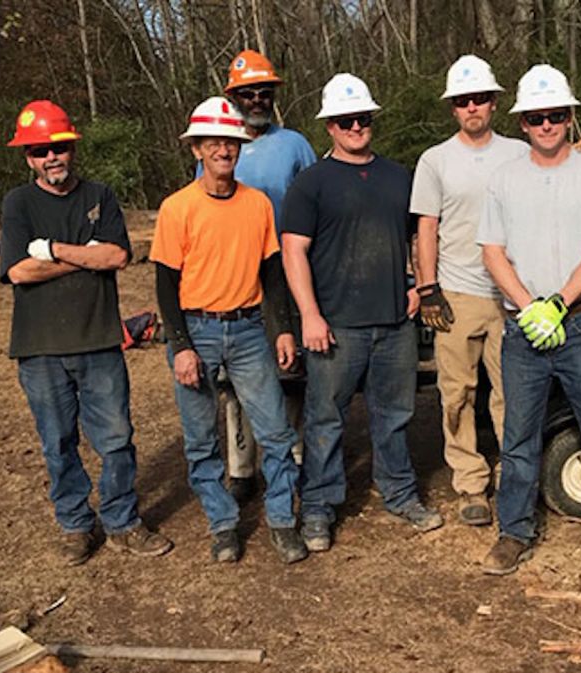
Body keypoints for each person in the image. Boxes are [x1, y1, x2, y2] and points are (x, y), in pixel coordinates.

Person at [477, 65, 581, 584]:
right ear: (523, 121)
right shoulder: (504, 178)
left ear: (570, 118)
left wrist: (559, 302)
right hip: (523, 330)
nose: (546, 124)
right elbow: (492, 251)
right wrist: (530, 306)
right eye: (536, 116)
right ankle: (514, 530)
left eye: (554, 115)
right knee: (518, 434)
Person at [0, 100, 173, 566]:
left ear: (71, 146)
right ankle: (76, 525)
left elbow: (117, 257)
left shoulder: (100, 195)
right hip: (39, 349)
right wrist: (84, 253)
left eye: (57, 147)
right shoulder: (18, 203)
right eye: (38, 151)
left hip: (99, 341)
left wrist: (52, 249)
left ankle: (122, 522)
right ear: (27, 158)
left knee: (116, 438)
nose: (50, 157)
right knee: (58, 442)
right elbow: (18, 271)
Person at [281, 73, 443, 552]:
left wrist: (419, 285)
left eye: (363, 118)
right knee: (326, 418)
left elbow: (418, 236)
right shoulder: (310, 183)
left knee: (394, 414)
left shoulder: (399, 177)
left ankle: (399, 492)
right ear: (329, 126)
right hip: (337, 325)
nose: (356, 126)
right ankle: (318, 507)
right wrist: (309, 314)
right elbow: (293, 252)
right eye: (346, 120)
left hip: (394, 322)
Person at [151, 97, 306, 564]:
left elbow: (273, 272)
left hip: (247, 328)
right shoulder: (178, 208)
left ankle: (281, 519)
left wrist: (281, 330)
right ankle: (222, 523)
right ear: (197, 149)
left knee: (276, 433)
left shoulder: (257, 205)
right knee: (201, 439)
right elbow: (164, 283)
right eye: (213, 142)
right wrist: (180, 346)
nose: (224, 149)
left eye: (231, 141)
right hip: (196, 328)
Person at [410, 55, 527, 526]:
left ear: (494, 103)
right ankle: (471, 482)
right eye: (463, 101)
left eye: (480, 98)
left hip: (511, 294)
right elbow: (426, 226)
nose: (472, 107)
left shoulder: (519, 153)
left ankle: (516, 478)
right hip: (457, 291)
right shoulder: (435, 160)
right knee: (456, 394)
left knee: (511, 393)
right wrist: (428, 286)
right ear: (453, 108)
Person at [215, 49, 317, 502]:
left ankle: (292, 455)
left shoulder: (294, 145)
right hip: (235, 277)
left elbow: (317, 206)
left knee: (289, 366)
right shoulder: (217, 145)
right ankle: (241, 468)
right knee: (235, 376)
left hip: (287, 272)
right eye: (247, 93)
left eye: (264, 92)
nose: (257, 99)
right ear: (231, 95)